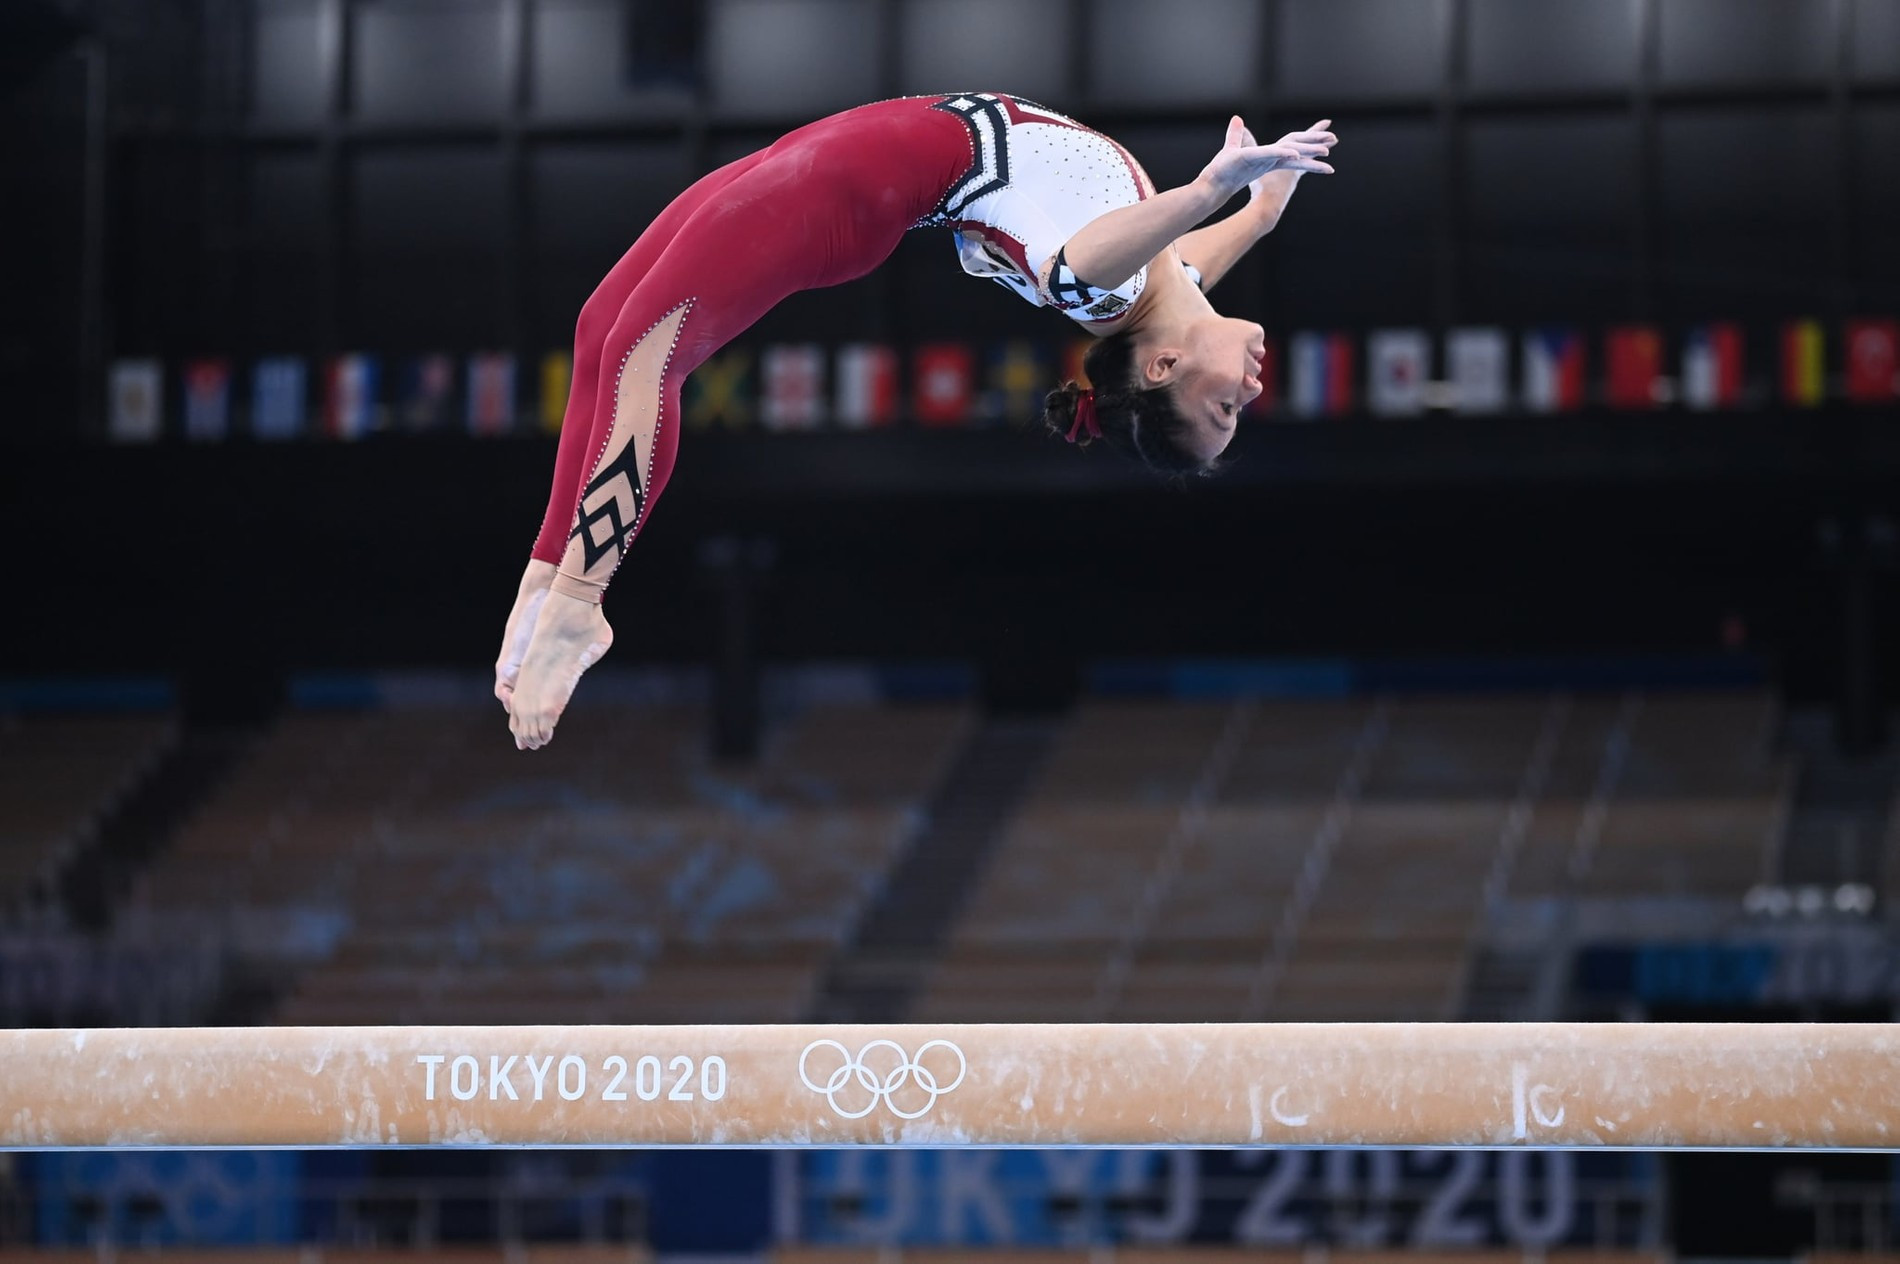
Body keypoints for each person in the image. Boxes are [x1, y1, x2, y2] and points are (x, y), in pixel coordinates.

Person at [496, 92, 1337, 749]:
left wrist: (1207, 187)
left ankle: (581, 594)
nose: (1252, 394)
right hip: (832, 158)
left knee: (651, 348)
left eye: (1224, 408)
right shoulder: (1165, 284)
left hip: (839, 192)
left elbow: (1086, 262)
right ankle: (544, 573)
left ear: (1163, 369)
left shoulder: (1104, 285)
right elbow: (1191, 267)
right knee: (601, 330)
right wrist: (1259, 208)